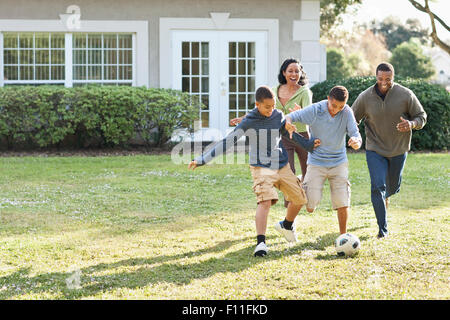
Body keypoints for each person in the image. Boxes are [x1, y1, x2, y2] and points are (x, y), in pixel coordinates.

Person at [189, 86, 320, 257]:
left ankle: (286, 225)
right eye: (267, 107)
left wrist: (308, 145)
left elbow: (289, 135)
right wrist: (202, 159)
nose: (271, 110)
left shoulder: (277, 116)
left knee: (300, 199)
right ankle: (261, 243)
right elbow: (228, 141)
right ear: (257, 104)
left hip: (281, 164)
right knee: (265, 201)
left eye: (273, 106)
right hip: (260, 166)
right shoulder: (249, 121)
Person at [351, 62, 427, 238]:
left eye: (388, 79)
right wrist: (354, 134)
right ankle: (382, 229)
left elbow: (421, 116)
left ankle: (387, 195)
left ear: (393, 77)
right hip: (374, 148)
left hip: (398, 149)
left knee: (391, 187)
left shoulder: (406, 94)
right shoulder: (365, 96)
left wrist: (411, 124)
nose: (384, 82)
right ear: (375, 77)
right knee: (378, 187)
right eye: (380, 79)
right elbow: (352, 117)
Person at [230, 58, 313, 207]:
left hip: (300, 134)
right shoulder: (275, 90)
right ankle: (290, 203)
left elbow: (310, 115)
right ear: (284, 73)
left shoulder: (304, 92)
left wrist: (301, 113)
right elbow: (264, 109)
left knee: (308, 169)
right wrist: (245, 118)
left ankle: (307, 199)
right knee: (289, 169)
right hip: (284, 136)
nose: (294, 74)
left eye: (297, 71)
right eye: (290, 71)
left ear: (301, 73)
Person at [285, 86, 362, 235]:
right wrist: (288, 123)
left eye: (341, 106)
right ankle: (303, 181)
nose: (336, 110)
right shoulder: (316, 110)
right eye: (334, 106)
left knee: (342, 200)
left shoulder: (346, 112)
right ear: (328, 99)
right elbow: (290, 117)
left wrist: (356, 142)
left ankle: (343, 236)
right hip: (317, 162)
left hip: (339, 162)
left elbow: (355, 134)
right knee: (310, 206)